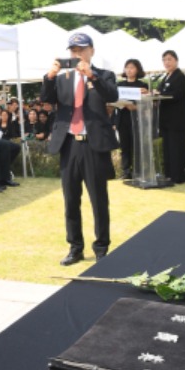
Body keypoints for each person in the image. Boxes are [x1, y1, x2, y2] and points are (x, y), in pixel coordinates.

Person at [42, 32, 119, 266]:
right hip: (69, 144)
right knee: (70, 199)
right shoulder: (62, 78)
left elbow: (112, 95)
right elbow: (46, 99)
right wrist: (49, 76)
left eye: (81, 50)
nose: (77, 54)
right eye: (73, 51)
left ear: (91, 51)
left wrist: (92, 76)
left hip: (94, 145)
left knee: (98, 199)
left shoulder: (104, 75)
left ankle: (102, 247)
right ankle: (75, 247)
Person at [157, 50, 185, 184]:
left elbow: (176, 94)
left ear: (176, 60)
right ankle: (169, 174)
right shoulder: (165, 77)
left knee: (176, 149)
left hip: (177, 120)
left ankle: (178, 176)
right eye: (164, 60)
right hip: (166, 120)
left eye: (169, 59)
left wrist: (161, 93)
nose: (167, 62)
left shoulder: (180, 77)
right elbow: (160, 91)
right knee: (168, 149)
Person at [115, 59, 148, 180]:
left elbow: (146, 104)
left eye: (132, 67)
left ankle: (138, 171)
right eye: (127, 67)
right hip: (122, 117)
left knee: (137, 145)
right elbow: (114, 100)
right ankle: (125, 171)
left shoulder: (143, 85)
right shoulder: (119, 85)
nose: (129, 70)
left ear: (137, 69)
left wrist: (135, 106)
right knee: (124, 146)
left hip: (137, 119)